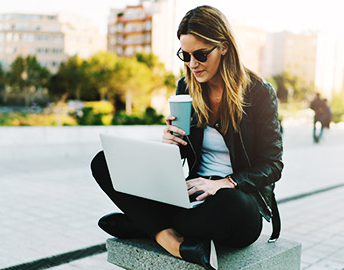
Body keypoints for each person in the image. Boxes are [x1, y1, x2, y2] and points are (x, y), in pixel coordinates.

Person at [90, 6, 283, 270]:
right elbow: (183, 155)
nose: (192, 64)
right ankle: (172, 240)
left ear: (224, 47)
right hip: (191, 196)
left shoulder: (259, 93)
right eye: (186, 55)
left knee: (230, 204)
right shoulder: (186, 88)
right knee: (104, 162)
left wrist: (225, 183)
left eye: (201, 55)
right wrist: (171, 143)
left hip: (238, 202)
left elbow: (273, 165)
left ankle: (144, 222)